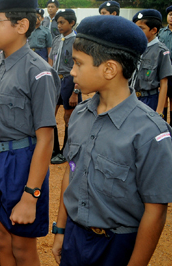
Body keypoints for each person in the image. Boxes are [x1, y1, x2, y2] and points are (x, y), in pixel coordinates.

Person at [51, 15, 172, 266]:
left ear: (109, 69)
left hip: (117, 246)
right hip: (75, 235)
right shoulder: (81, 115)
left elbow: (156, 210)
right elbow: (71, 174)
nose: (72, 71)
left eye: (78, 64)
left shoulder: (150, 132)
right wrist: (61, 230)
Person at [0, 0, 59, 266]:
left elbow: (46, 139)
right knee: (1, 239)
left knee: (22, 247)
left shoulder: (38, 72)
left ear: (22, 25)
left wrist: (31, 196)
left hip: (20, 164)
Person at [48, 9, 81, 165]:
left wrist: (75, 91)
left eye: (62, 22)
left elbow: (79, 66)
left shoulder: (77, 42)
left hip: (69, 80)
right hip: (55, 81)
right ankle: (54, 149)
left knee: (68, 117)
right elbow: (50, 62)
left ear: (72, 23)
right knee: (49, 114)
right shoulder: (56, 40)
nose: (59, 25)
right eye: (58, 22)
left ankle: (65, 151)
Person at [131, 9, 172, 115]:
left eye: (141, 28)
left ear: (153, 30)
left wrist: (159, 111)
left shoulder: (161, 51)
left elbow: (164, 83)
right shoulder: (135, 48)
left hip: (150, 100)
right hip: (132, 98)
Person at [158, 5, 172, 122]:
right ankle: (163, 125)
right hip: (163, 71)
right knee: (163, 97)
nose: (171, 17)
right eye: (170, 14)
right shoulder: (161, 33)